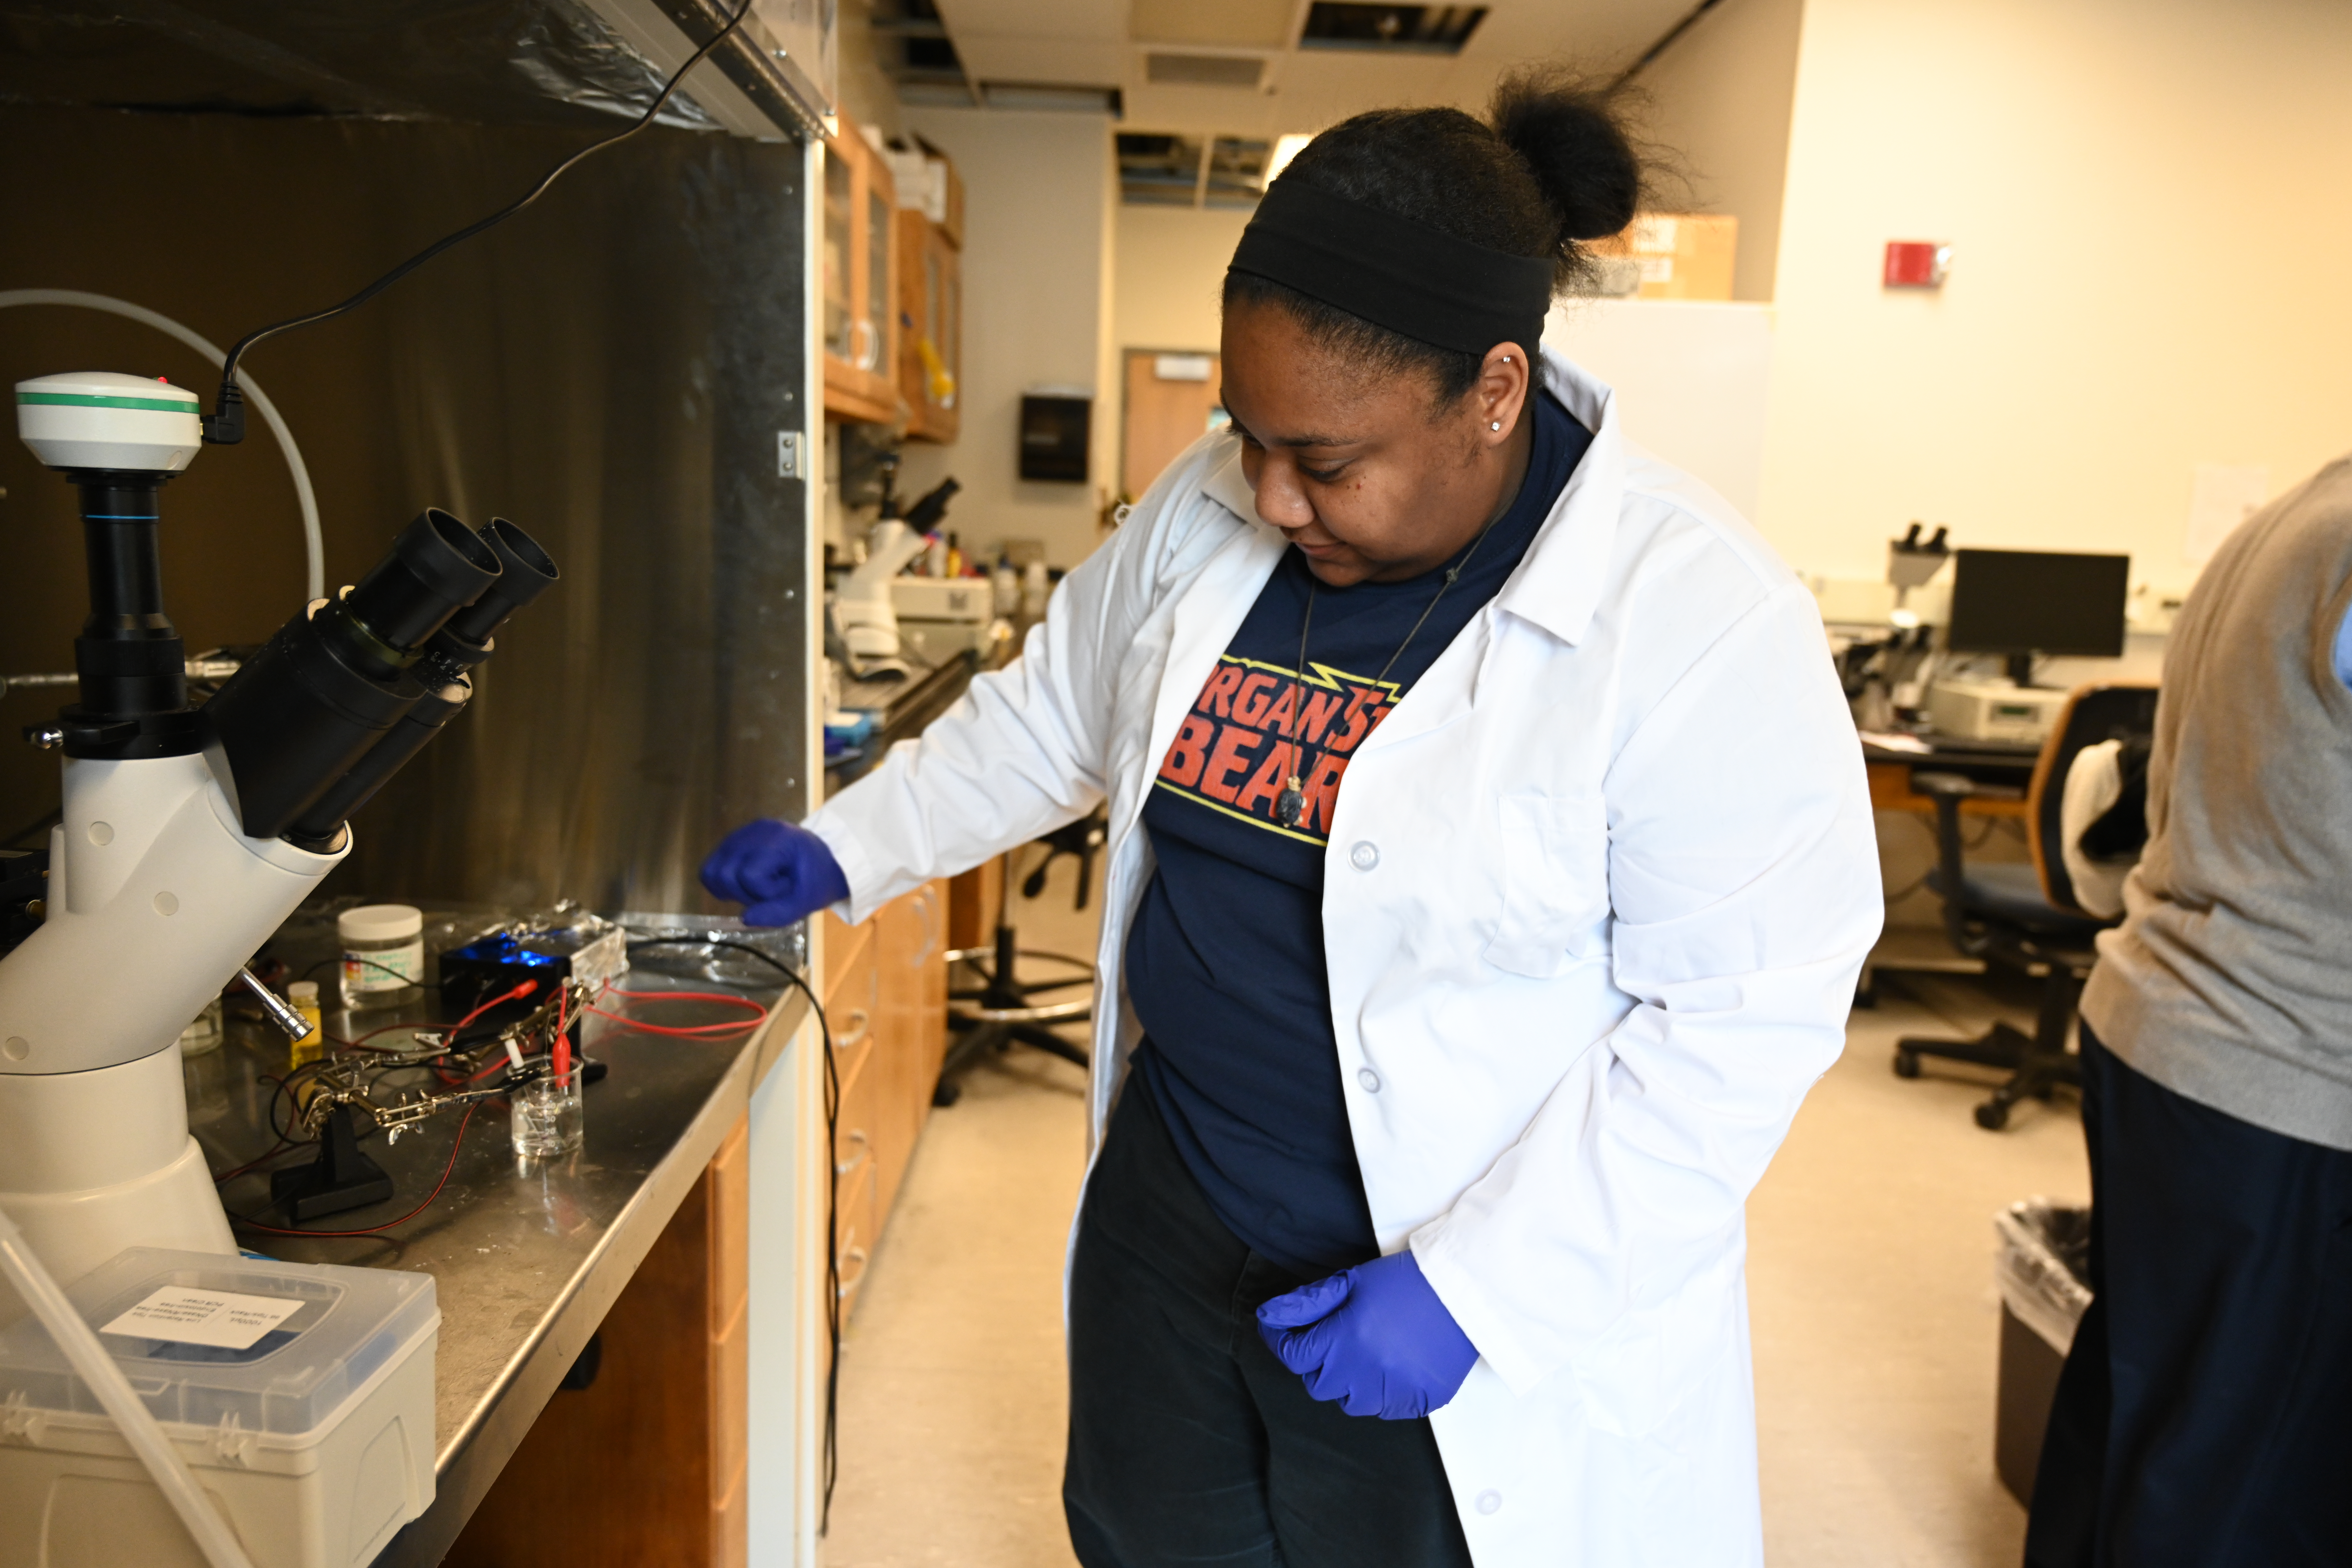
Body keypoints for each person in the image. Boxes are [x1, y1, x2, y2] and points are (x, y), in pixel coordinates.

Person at [703, 71, 1881, 1568]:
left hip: (1442, 1277)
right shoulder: (1210, 505)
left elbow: (1739, 1022)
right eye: (1245, 432)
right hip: (1176, 1209)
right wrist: (852, 844)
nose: (1267, 493)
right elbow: (1055, 715)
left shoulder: (1697, 616)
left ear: (1495, 392)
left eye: (1324, 461)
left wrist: (1478, 1292)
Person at [2025, 459, 2352, 1568]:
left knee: (2143, 1399)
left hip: (2165, 1025)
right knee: (2243, 1478)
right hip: (2283, 1070)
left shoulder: (2303, 509)